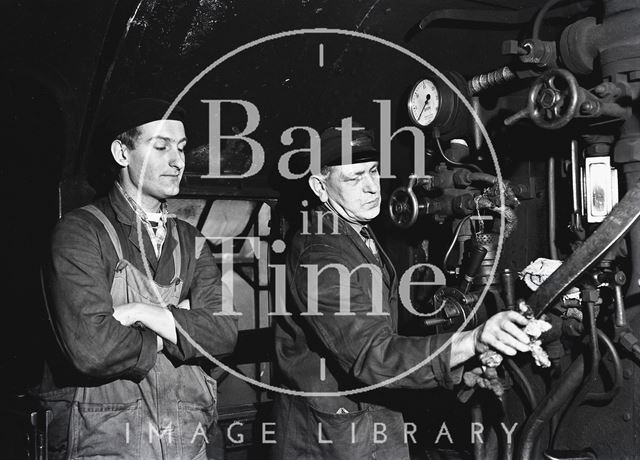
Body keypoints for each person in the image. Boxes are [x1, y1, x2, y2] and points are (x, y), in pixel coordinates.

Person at [273, 122, 531, 459]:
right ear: (320, 188)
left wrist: (461, 369)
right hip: (329, 441)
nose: (371, 188)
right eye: (353, 178)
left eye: (374, 171)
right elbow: (373, 355)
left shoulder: (352, 231)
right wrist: (473, 339)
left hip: (366, 423)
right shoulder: (319, 256)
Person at [37, 98, 238, 459]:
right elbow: (93, 350)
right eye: (160, 147)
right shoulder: (81, 232)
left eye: (181, 148)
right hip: (106, 438)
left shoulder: (191, 240)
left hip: (186, 438)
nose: (177, 161)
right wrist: (181, 325)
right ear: (121, 152)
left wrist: (142, 313)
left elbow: (224, 333)